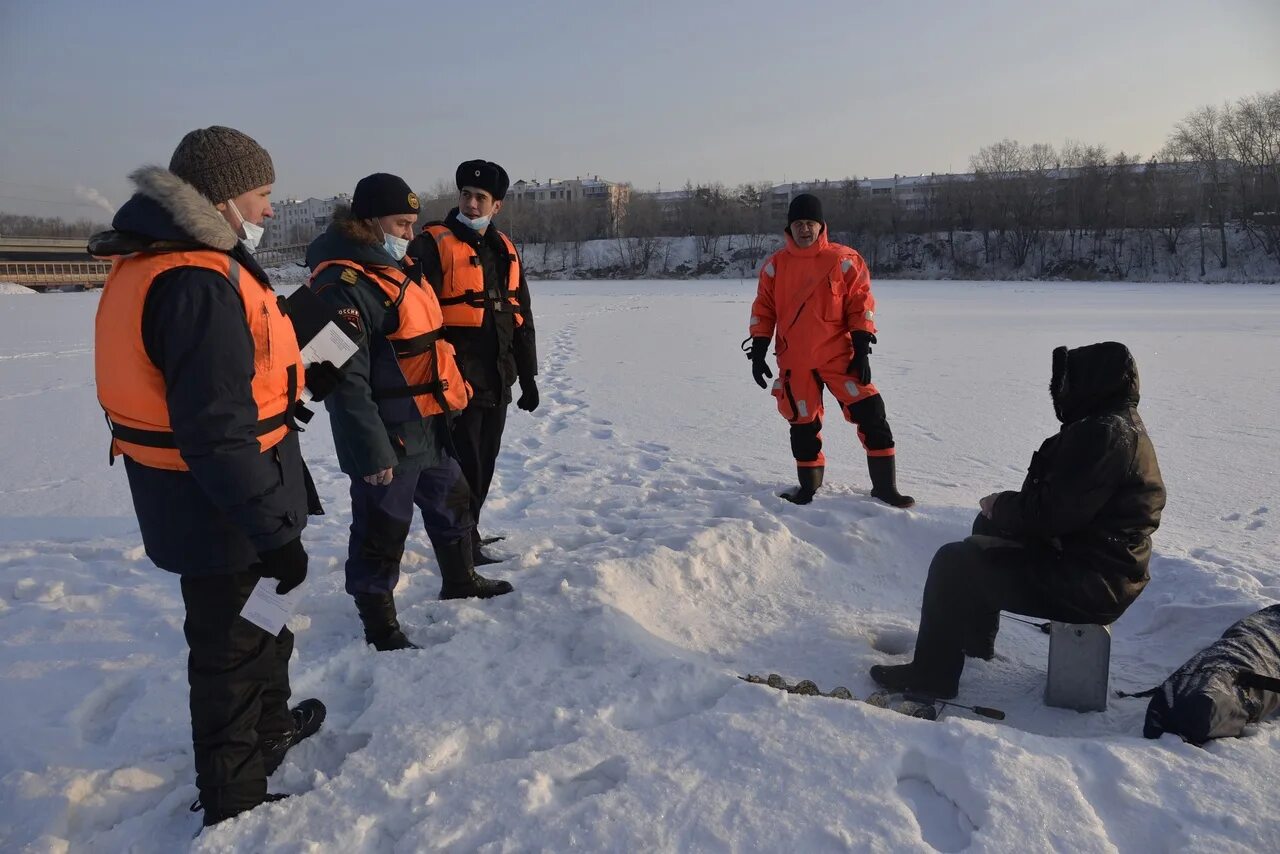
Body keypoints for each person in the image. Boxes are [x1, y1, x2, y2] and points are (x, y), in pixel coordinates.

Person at [91, 126, 329, 826]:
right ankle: (234, 795)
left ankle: (269, 730)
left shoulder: (195, 263)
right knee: (229, 649)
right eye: (262, 194)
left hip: (245, 496)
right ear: (223, 198)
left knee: (267, 625)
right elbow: (215, 432)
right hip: (222, 510)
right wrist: (270, 530)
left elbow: (235, 379)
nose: (269, 211)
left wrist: (299, 374)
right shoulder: (193, 281)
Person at [870, 342, 1166, 698]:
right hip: (1100, 564)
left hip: (1094, 581)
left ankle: (932, 677)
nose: (1060, 392)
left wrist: (1003, 503)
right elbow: (1065, 506)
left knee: (954, 564)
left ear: (1092, 383)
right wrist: (1000, 512)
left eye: (1068, 382)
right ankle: (974, 645)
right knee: (988, 527)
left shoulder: (1104, 434)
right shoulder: (1111, 425)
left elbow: (1051, 515)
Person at [307, 173, 513, 652]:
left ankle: (459, 579)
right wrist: (370, 451)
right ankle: (380, 628)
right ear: (370, 222)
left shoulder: (394, 269)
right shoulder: (340, 285)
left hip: (429, 424)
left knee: (454, 502)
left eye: (412, 224)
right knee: (382, 531)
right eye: (401, 224)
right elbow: (346, 384)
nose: (408, 233)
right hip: (387, 437)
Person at [746, 193, 913, 508]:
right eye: (798, 224)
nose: (804, 229)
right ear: (789, 228)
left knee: (873, 415)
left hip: (841, 358)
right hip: (796, 361)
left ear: (821, 226)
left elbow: (860, 303)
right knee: (803, 426)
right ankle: (807, 490)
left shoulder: (844, 260)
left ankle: (885, 489)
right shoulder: (775, 267)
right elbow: (764, 310)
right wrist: (758, 349)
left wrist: (862, 347)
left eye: (810, 223)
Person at [408, 160, 538, 564]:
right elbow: (411, 308)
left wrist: (529, 376)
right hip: (452, 381)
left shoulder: (505, 250)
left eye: (482, 198)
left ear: (496, 205)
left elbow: (522, 316)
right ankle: (459, 544)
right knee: (460, 468)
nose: (472, 203)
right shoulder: (432, 243)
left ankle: (471, 532)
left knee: (485, 463)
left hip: (497, 378)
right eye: (466, 195)